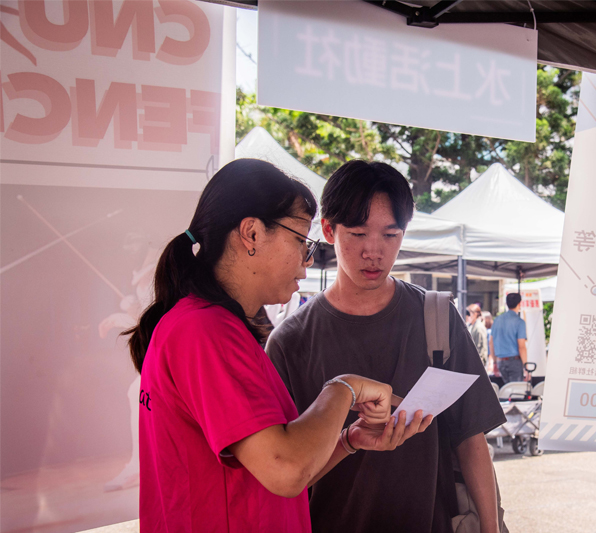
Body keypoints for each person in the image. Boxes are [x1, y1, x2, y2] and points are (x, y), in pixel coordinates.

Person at [124, 159, 431, 532]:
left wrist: (349, 440)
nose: (307, 262)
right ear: (251, 234)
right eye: (301, 241)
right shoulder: (204, 330)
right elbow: (285, 469)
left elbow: (274, 461)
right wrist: (343, 388)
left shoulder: (213, 326)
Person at [267, 160, 506, 533]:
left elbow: (471, 439)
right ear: (329, 230)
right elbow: (281, 472)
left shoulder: (438, 318)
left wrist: (491, 529)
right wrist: (349, 441)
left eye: (390, 235)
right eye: (359, 234)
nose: (374, 252)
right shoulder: (291, 341)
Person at [489, 293, 528, 383]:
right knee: (516, 392)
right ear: (519, 304)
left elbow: (491, 343)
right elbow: (521, 346)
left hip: (500, 362)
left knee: (505, 391)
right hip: (514, 361)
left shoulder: (497, 320)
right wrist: (526, 368)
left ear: (506, 304)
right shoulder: (519, 322)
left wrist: (494, 362)